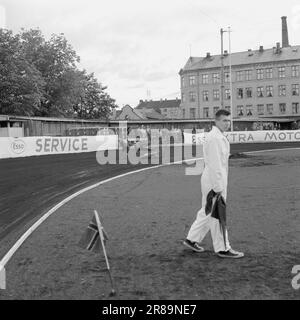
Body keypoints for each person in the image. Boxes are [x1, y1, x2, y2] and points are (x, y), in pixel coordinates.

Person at [183, 109, 244, 259]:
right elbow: (216, 165)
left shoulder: (217, 137)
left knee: (207, 212)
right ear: (216, 121)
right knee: (217, 215)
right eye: (224, 120)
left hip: (212, 179)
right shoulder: (215, 138)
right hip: (214, 181)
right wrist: (218, 188)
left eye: (229, 120)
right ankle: (223, 248)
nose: (227, 123)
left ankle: (192, 239)